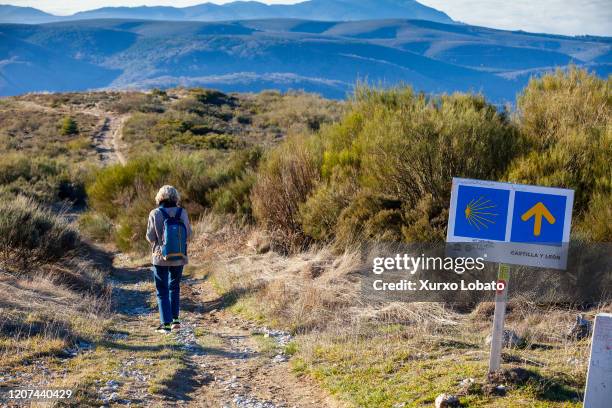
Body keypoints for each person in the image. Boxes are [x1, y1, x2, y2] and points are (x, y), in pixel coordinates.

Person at [146, 185, 192, 334]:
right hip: (179, 257)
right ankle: (175, 321)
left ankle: (165, 324)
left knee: (162, 290)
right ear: (175, 197)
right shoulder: (182, 212)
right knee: (175, 287)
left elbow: (150, 237)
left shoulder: (154, 213)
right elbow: (189, 234)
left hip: (160, 257)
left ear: (160, 197)